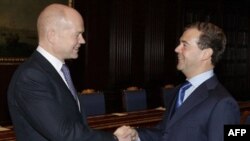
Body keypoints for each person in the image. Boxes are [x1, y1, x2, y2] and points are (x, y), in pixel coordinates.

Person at [7, 3, 130, 141]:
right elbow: (64, 134)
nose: (82, 41)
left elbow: (75, 124)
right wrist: (114, 139)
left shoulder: (58, 71)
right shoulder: (31, 77)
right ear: (52, 35)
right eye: (77, 34)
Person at [116, 22, 241, 141]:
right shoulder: (179, 91)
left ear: (205, 54)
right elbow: (165, 133)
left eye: (184, 45)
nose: (177, 49)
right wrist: (136, 136)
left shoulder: (223, 103)